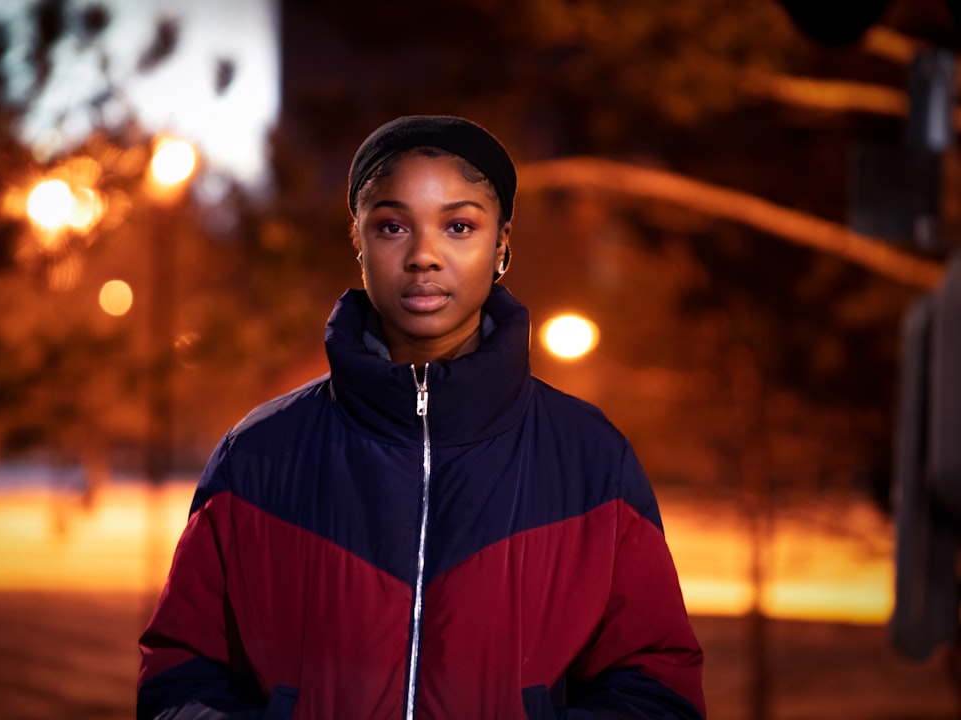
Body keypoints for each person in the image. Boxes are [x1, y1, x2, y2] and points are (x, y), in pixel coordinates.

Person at [137, 115, 706, 719]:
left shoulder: (591, 460)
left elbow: (655, 685)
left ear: (502, 244)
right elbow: (182, 671)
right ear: (358, 242)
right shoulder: (258, 454)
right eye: (391, 226)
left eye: (459, 226)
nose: (424, 256)